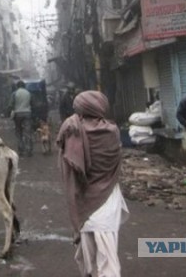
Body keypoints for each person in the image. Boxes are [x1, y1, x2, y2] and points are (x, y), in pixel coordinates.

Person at [56, 90, 129, 277]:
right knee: (108, 257)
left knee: (89, 257)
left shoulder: (72, 132)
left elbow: (66, 164)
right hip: (107, 201)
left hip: (83, 202)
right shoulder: (112, 131)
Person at [10, 80, 33, 156]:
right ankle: (29, 149)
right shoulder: (28, 93)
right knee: (28, 132)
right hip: (27, 114)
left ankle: (21, 149)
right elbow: (32, 103)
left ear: (17, 86)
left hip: (18, 114)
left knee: (19, 132)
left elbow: (11, 104)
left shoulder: (14, 93)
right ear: (24, 86)